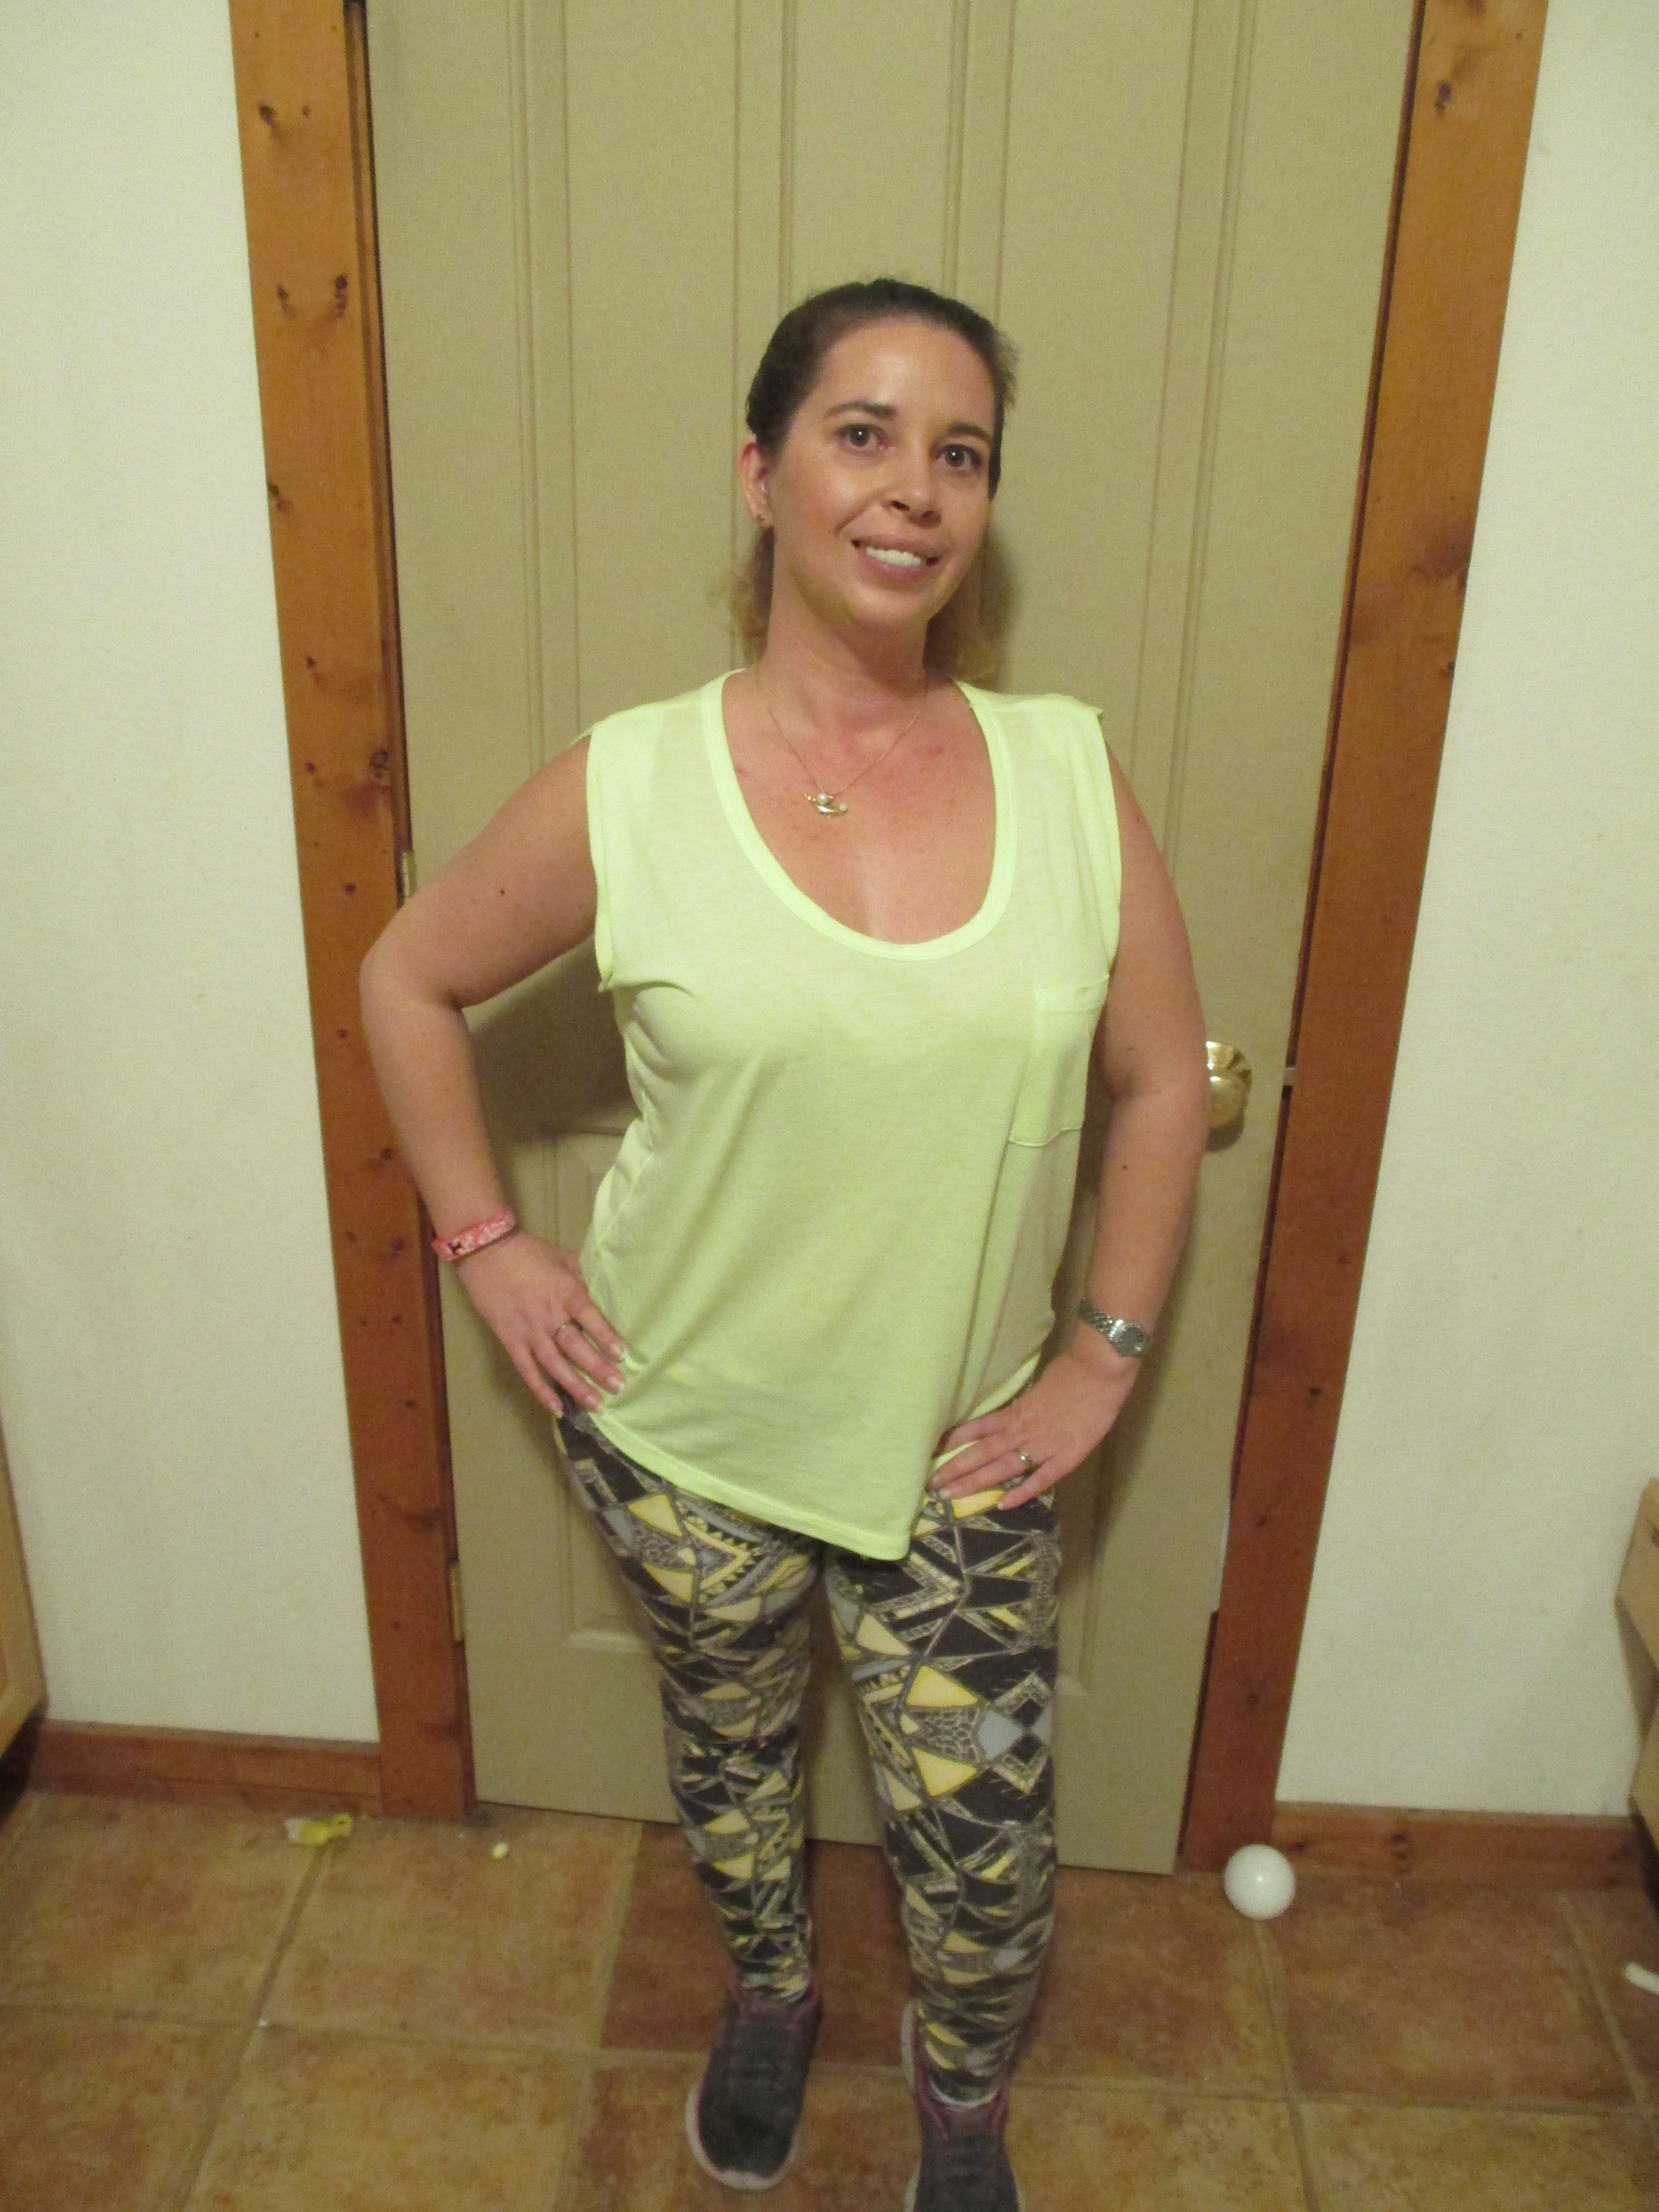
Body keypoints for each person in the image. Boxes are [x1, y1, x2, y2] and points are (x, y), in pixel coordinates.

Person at [361, 277, 1210, 2212]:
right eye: (863, 434)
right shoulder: (633, 784)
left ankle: (962, 2096)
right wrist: (489, 1241)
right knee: (736, 1773)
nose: (914, 487)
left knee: (985, 1859)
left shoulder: (1066, 776)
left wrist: (1102, 1356)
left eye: (960, 452)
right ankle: (770, 1991)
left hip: (957, 1462)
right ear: (761, 475)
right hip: (682, 1438)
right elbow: (406, 977)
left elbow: (1165, 1079)